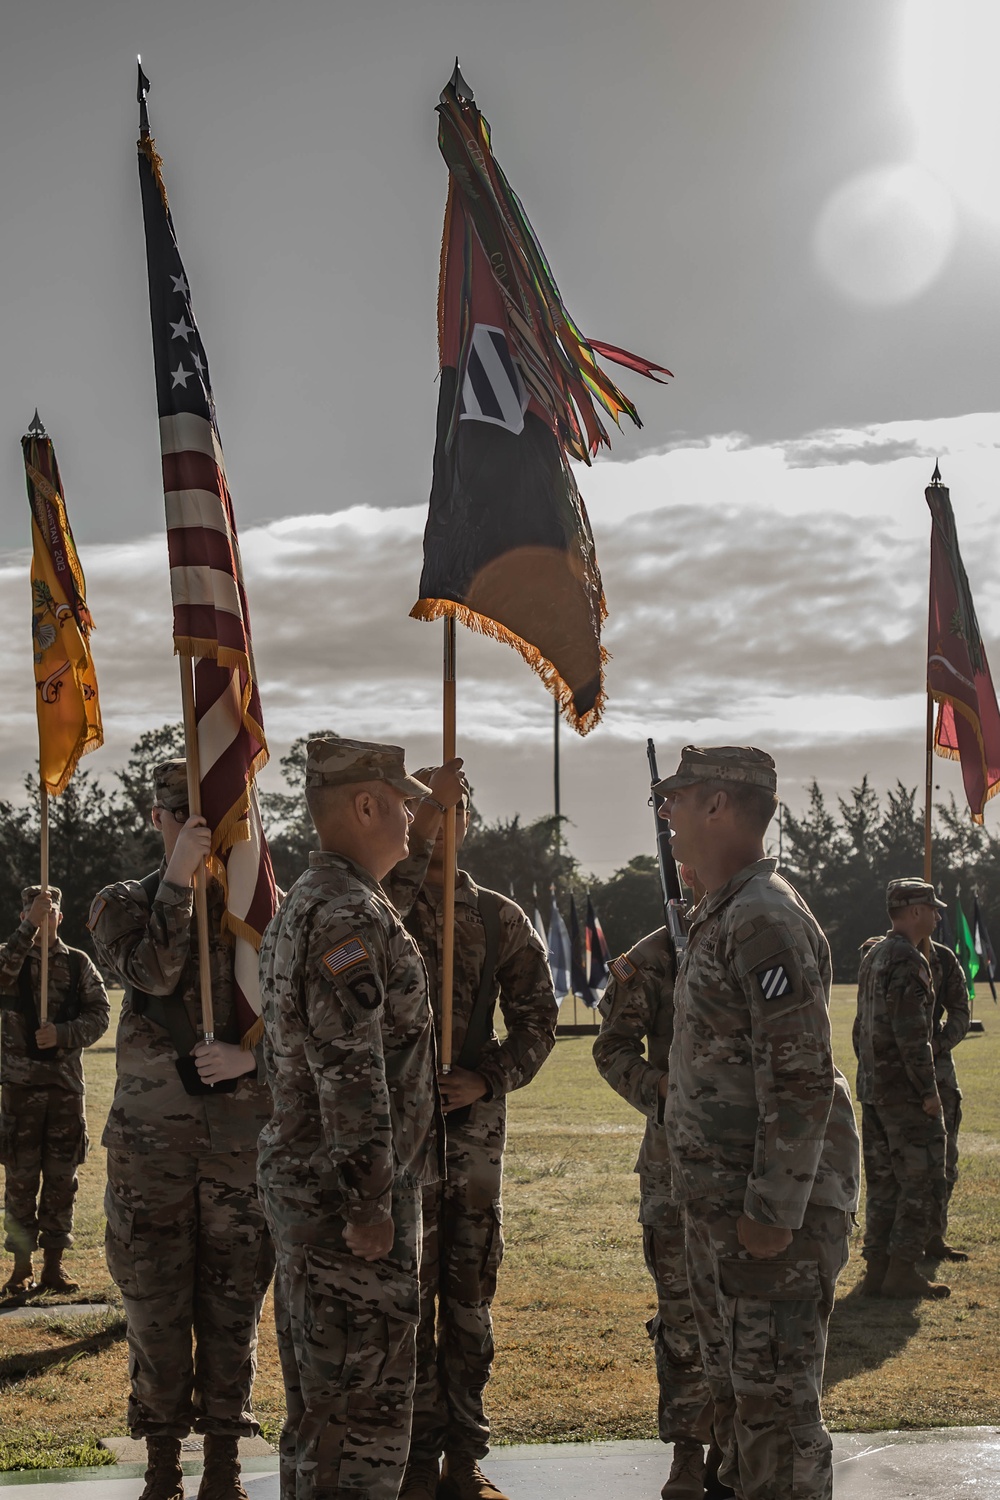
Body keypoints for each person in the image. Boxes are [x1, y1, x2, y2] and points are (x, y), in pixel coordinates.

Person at [658, 745, 860, 1500]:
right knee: (743, 1404)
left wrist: (773, 1213)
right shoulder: (728, 910)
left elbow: (801, 1077)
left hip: (769, 1225)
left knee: (774, 1412)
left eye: (677, 798)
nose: (667, 814)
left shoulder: (762, 918)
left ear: (718, 806)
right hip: (730, 1220)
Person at [257, 735, 442, 1500]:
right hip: (346, 1212)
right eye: (402, 801)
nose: (411, 814)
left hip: (312, 1195)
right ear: (365, 805)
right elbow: (353, 1070)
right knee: (357, 1425)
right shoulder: (344, 914)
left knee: (323, 1414)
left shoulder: (323, 900)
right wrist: (369, 1203)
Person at [90, 760, 275, 1500]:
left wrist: (249, 1060)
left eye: (212, 822)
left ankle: (225, 1464)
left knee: (232, 1311)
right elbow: (156, 973)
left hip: (237, 1151)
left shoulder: (260, 912)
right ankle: (163, 1464)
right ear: (156, 818)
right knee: (157, 1310)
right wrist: (177, 879)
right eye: (178, 816)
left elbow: (296, 1025)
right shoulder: (119, 902)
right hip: (151, 1154)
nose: (193, 830)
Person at [385, 763, 558, 1500]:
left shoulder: (496, 917)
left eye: (450, 815)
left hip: (471, 1131)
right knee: (403, 1295)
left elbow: (539, 1019)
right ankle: (414, 1457)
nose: (437, 826)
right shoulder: (378, 907)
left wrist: (488, 1077)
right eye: (423, 814)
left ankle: (464, 1455)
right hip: (394, 1129)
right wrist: (416, 839)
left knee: (466, 1293)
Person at [593, 864, 733, 1500]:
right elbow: (612, 1048)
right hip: (674, 1169)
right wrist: (661, 1090)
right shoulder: (652, 956)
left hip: (746, 1168)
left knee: (744, 1316)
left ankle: (736, 1451)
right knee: (683, 1317)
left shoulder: (754, 935)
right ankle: (686, 1449)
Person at [0, 884, 109, 1296]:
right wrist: (27, 929)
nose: (42, 919)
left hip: (64, 1090)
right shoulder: (10, 959)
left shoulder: (78, 964)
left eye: (48, 913)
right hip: (20, 1090)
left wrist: (63, 1033)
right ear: (23, 916)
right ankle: (21, 1266)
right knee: (21, 1181)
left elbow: (100, 1014)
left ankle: (54, 1266)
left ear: (60, 918)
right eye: (32, 912)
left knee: (63, 1181)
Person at [853, 878, 950, 1301]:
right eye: (932, 908)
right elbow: (914, 1035)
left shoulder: (873, 954)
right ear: (913, 911)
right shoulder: (909, 959)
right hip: (905, 1095)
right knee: (924, 1178)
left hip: (874, 1090)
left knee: (884, 1182)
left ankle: (877, 1270)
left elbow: (860, 1029)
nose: (938, 915)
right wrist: (929, 1091)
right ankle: (903, 1269)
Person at [926, 936, 971, 1262]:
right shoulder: (882, 954)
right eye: (932, 910)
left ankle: (934, 1238)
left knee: (944, 1159)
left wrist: (939, 1045)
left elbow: (961, 1011)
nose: (938, 918)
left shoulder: (942, 958)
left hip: (938, 1074)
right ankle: (894, 1247)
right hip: (893, 1073)